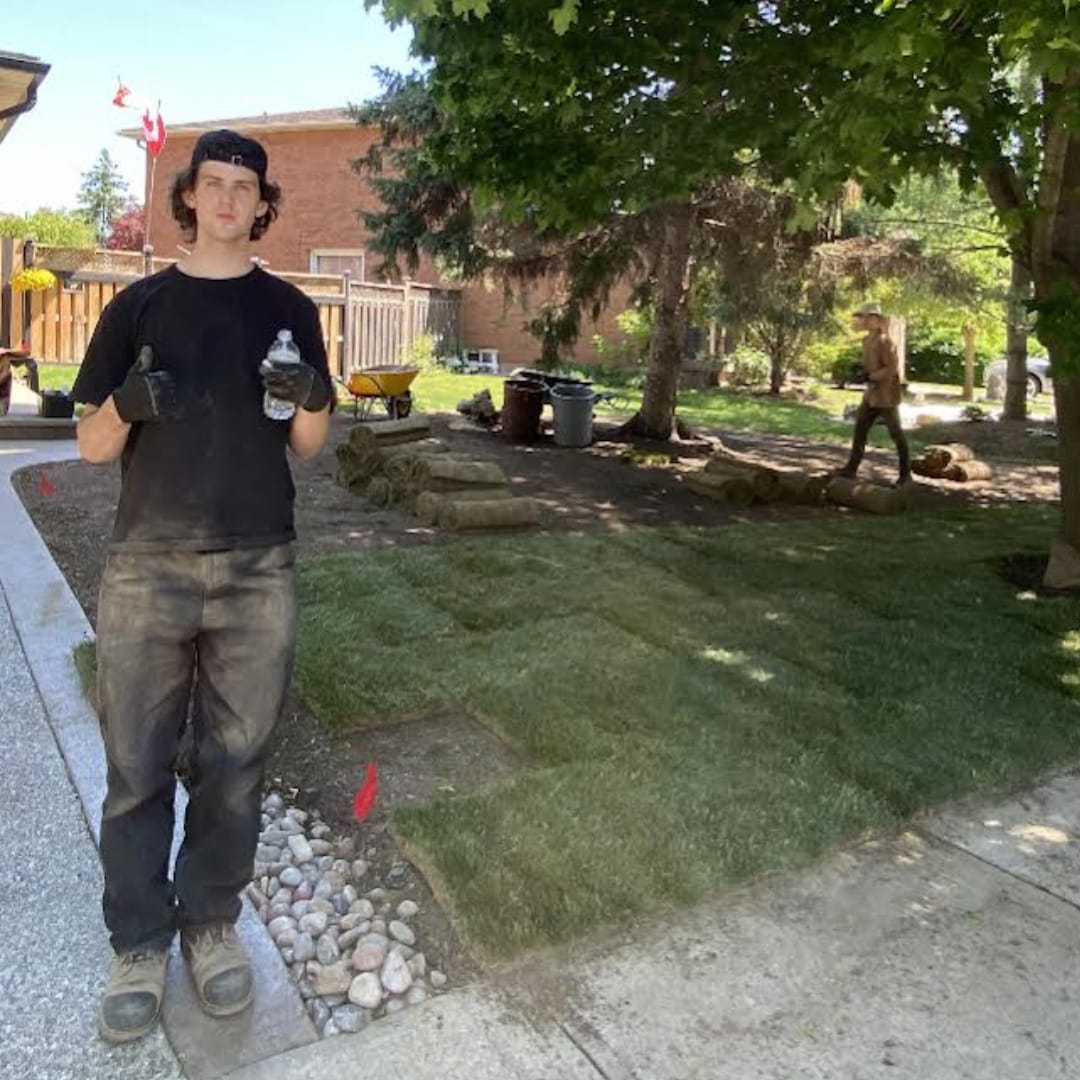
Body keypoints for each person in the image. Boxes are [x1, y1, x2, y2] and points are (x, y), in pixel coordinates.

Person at [71, 129, 333, 1044]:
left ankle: (210, 924)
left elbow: (310, 443)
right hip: (148, 564)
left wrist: (306, 393)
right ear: (189, 197)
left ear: (262, 205)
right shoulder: (138, 307)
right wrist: (127, 404)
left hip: (260, 564)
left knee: (234, 765)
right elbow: (92, 445)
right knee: (136, 765)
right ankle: (138, 940)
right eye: (212, 184)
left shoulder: (292, 308)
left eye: (244, 187)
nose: (227, 200)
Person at [836, 302, 912, 486]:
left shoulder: (886, 341)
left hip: (886, 396)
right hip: (871, 395)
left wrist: (871, 376)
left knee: (896, 434)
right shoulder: (866, 340)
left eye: (865, 317)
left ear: (875, 319)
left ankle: (905, 475)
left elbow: (891, 368)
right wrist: (859, 372)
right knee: (860, 430)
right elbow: (869, 365)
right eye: (861, 317)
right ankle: (851, 469)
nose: (862, 320)